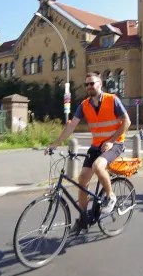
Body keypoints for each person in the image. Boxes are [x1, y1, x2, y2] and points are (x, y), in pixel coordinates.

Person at [47, 71, 131, 228]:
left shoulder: (112, 100)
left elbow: (127, 122)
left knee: (98, 166)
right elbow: (71, 125)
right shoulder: (84, 105)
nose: (89, 87)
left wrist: (112, 141)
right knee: (82, 180)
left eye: (92, 83)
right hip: (96, 146)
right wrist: (56, 143)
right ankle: (84, 218)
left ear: (100, 84)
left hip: (115, 144)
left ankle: (111, 196)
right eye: (86, 84)